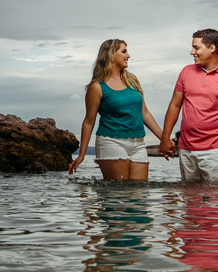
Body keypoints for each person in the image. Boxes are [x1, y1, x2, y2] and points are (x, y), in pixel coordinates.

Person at [158, 29, 218, 182]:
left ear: (212, 48)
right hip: (186, 148)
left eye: (196, 47)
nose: (192, 52)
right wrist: (165, 138)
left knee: (215, 195)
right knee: (189, 195)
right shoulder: (186, 72)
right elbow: (175, 105)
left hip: (215, 150)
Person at [69, 39, 168, 180]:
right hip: (111, 142)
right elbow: (89, 121)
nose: (128, 55)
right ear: (111, 55)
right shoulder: (97, 87)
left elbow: (144, 112)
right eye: (124, 51)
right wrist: (82, 154)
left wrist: (164, 139)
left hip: (138, 143)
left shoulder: (132, 80)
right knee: (119, 191)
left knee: (140, 192)